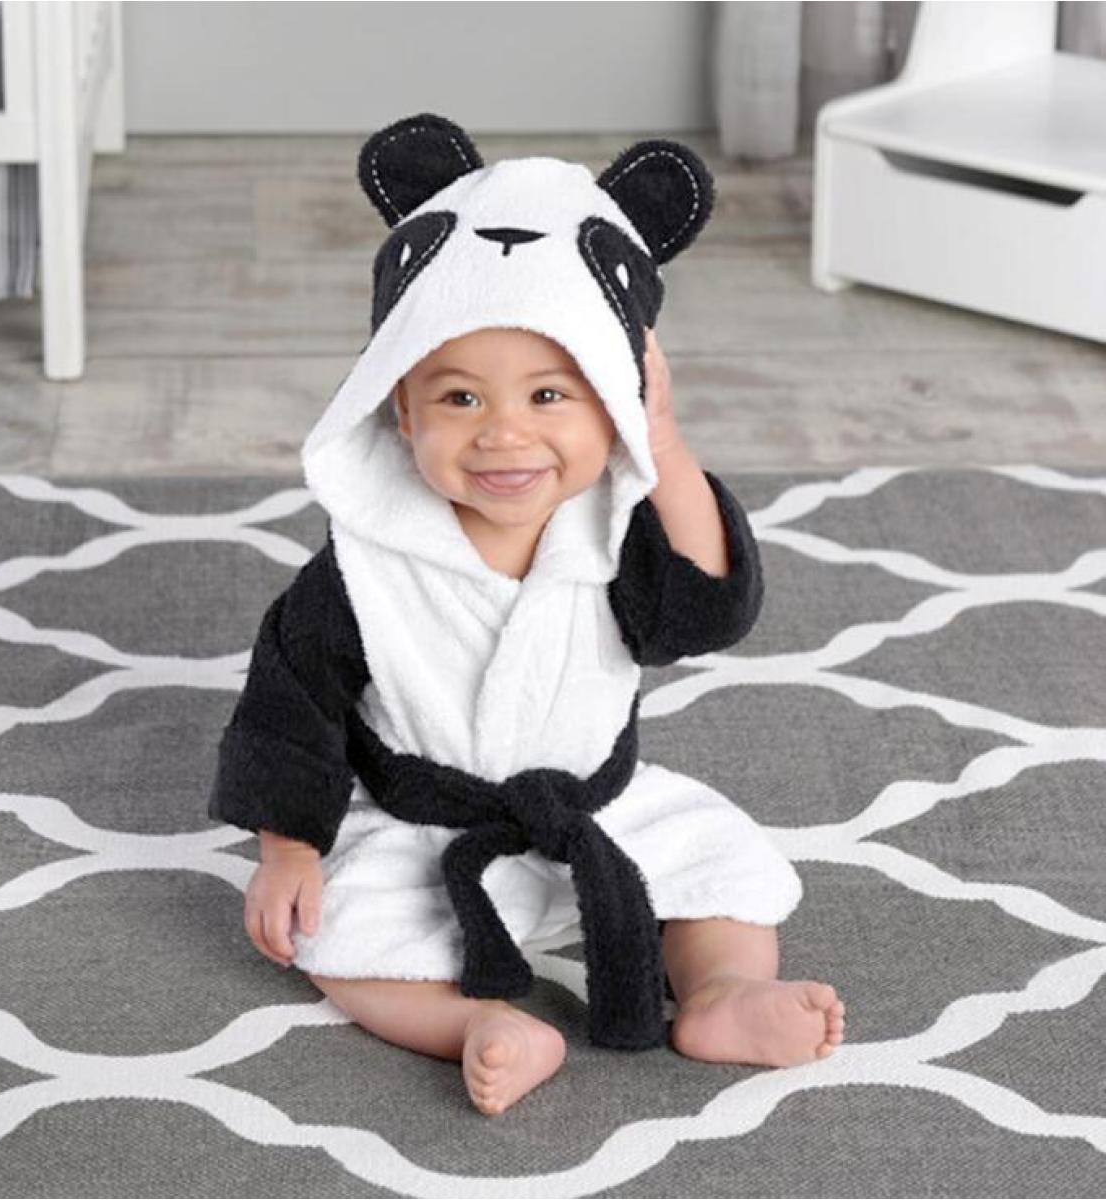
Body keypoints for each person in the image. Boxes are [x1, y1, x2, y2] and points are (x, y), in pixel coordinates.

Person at [209, 113, 845, 1117]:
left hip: (597, 810)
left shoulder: (614, 527)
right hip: (426, 830)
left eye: (551, 396)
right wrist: (287, 848)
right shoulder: (370, 561)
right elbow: (292, 704)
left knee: (721, 870)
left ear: (614, 406)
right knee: (338, 937)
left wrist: (666, 446)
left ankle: (721, 993)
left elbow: (706, 608)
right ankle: (476, 1025)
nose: (505, 434)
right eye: (459, 399)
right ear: (399, 410)